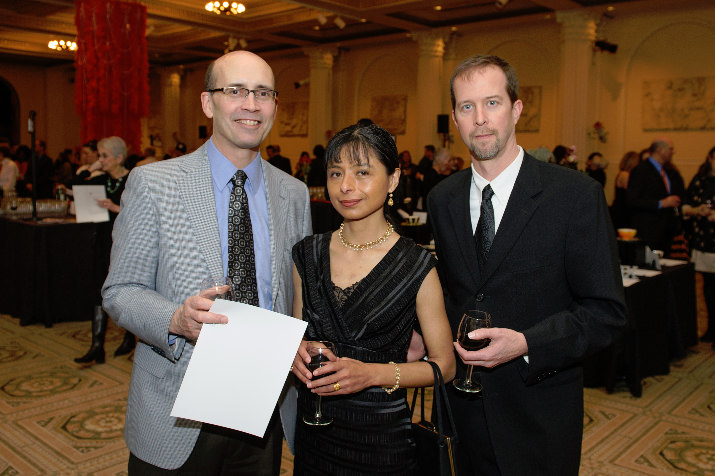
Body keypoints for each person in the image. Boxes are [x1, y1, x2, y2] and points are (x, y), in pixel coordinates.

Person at [102, 50, 311, 474]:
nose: (250, 105)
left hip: (262, 407)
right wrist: (175, 318)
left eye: (263, 93)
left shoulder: (294, 193)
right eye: (235, 91)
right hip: (175, 408)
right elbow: (119, 291)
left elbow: (297, 291)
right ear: (207, 102)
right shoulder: (154, 183)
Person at [427, 54, 627, 476]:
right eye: (467, 107)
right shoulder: (442, 198)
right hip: (462, 412)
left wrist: (527, 343)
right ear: (455, 119)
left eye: (492, 103)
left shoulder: (574, 196)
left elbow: (606, 313)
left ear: (517, 109)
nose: (480, 119)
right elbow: (451, 292)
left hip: (540, 415)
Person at [290, 123, 455, 475]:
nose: (346, 186)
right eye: (336, 173)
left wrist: (370, 374)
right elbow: (298, 338)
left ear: (393, 180)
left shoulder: (417, 266)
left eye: (362, 172)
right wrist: (296, 351)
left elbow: (445, 365)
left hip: (381, 443)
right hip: (314, 435)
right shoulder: (307, 254)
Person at [73, 136, 136, 364]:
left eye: (104, 156)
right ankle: (97, 346)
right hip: (102, 242)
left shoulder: (132, 179)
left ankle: (130, 337)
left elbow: (141, 214)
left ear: (119, 158)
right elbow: (76, 184)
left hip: (126, 244)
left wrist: (115, 207)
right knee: (98, 291)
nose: (101, 160)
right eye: (99, 156)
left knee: (128, 290)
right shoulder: (101, 180)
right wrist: (91, 167)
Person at [627, 137, 686, 253]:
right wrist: (661, 203)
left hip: (665, 232)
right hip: (648, 231)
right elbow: (632, 200)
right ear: (660, 150)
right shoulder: (641, 170)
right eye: (670, 149)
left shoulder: (668, 172)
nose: (673, 152)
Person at [682, 146, 715, 345]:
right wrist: (698, 210)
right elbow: (686, 205)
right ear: (710, 158)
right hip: (704, 241)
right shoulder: (700, 180)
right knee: (708, 288)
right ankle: (712, 327)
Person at [610, 150, 640, 229]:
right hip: (622, 211)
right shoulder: (625, 175)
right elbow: (631, 192)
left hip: (621, 209)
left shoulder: (622, 173)